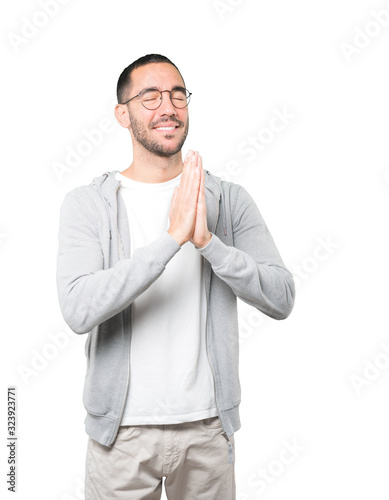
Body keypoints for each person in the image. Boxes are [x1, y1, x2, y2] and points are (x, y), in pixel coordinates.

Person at [56, 53, 296, 500]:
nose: (167, 106)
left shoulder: (227, 199)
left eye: (177, 94)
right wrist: (171, 240)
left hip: (207, 431)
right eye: (150, 96)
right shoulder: (88, 204)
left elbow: (281, 297)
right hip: (121, 437)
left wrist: (208, 245)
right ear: (122, 114)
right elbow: (78, 308)